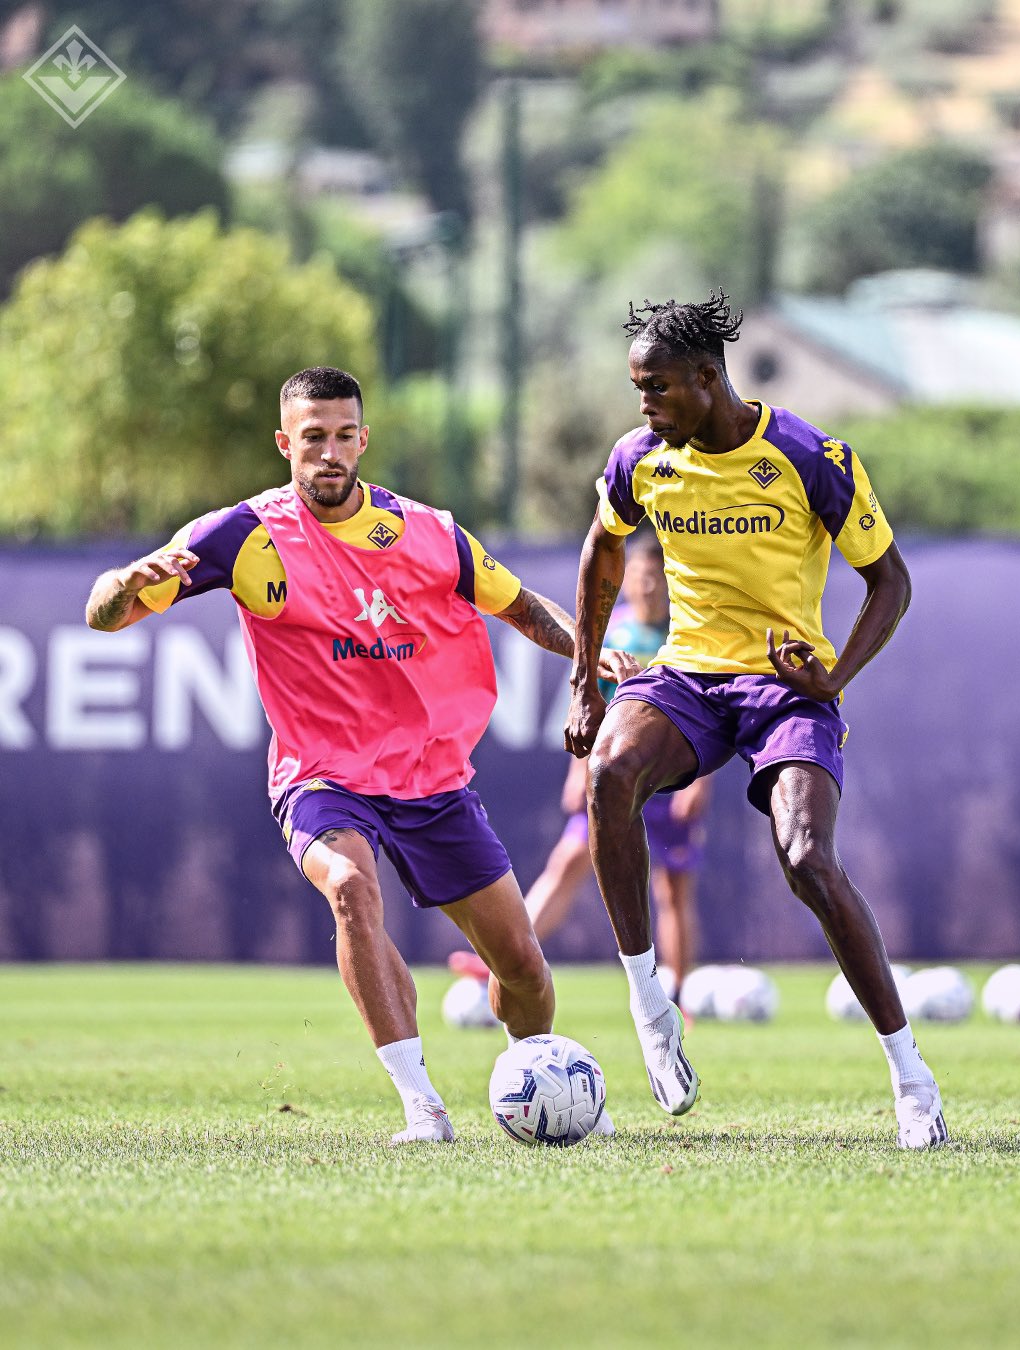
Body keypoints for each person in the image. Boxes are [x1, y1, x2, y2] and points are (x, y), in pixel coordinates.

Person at [86, 365, 630, 1144]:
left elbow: (520, 607)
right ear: (285, 444)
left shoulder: (429, 532)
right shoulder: (243, 536)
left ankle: (541, 1082)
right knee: (349, 886)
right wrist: (119, 583)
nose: (329, 453)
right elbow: (106, 614)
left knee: (523, 971)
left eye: (344, 437)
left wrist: (589, 654)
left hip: (431, 776)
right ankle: (423, 1108)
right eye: (313, 438)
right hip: (321, 774)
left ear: (363, 440)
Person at [564, 291, 948, 1149]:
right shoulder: (639, 460)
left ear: (708, 378)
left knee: (808, 860)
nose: (644, 405)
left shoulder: (811, 455)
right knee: (610, 774)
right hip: (691, 677)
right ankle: (650, 1007)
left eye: (657, 388)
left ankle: (910, 1078)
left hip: (787, 690)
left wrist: (833, 676)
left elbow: (891, 581)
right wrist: (585, 681)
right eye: (638, 390)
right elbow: (600, 547)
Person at [450, 532, 708, 1005]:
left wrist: (702, 780)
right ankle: (507, 956)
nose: (648, 587)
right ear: (626, 581)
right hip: (616, 776)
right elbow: (595, 707)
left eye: (657, 578)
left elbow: (707, 709)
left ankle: (679, 994)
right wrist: (579, 772)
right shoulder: (614, 636)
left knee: (672, 889)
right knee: (567, 862)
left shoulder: (686, 637)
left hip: (671, 779)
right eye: (640, 576)